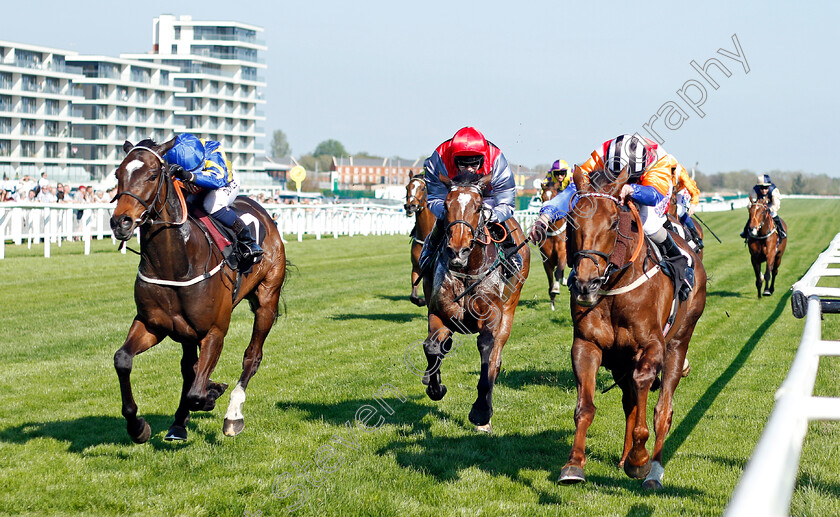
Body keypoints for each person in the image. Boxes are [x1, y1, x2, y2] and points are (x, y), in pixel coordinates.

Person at [531, 134, 694, 300]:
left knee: (649, 223)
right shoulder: (602, 155)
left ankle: (679, 262)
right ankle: (578, 268)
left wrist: (633, 190)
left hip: (649, 189)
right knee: (589, 218)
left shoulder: (659, 161)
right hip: (611, 183)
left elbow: (654, 196)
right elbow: (574, 189)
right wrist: (546, 215)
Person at [419, 126, 520, 275]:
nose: (469, 169)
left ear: (482, 159)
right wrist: (451, 212)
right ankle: (429, 253)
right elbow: (434, 197)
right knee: (443, 221)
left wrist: (490, 215)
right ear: (454, 160)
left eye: (474, 164)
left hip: (487, 199)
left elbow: (506, 201)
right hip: (453, 200)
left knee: (498, 223)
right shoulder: (439, 159)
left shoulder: (497, 160)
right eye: (463, 165)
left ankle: (510, 254)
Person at [165, 133, 263, 264]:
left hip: (224, 183)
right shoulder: (170, 155)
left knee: (211, 205)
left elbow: (216, 179)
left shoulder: (213, 149)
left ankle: (248, 241)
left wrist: (189, 175)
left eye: (197, 169)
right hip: (196, 189)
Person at [740, 173, 785, 240]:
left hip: (770, 205)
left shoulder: (773, 190)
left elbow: (776, 204)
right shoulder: (755, 190)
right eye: (762, 188)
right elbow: (752, 202)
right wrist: (753, 208)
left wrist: (770, 209)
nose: (764, 190)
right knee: (753, 217)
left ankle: (781, 231)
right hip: (759, 206)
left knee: (774, 214)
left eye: (766, 188)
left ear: (769, 186)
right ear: (759, 187)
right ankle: (746, 232)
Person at [672, 164, 704, 249]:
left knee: (679, 211)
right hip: (669, 191)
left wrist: (693, 205)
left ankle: (695, 237)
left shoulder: (681, 173)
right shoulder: (660, 169)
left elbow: (694, 191)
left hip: (681, 190)